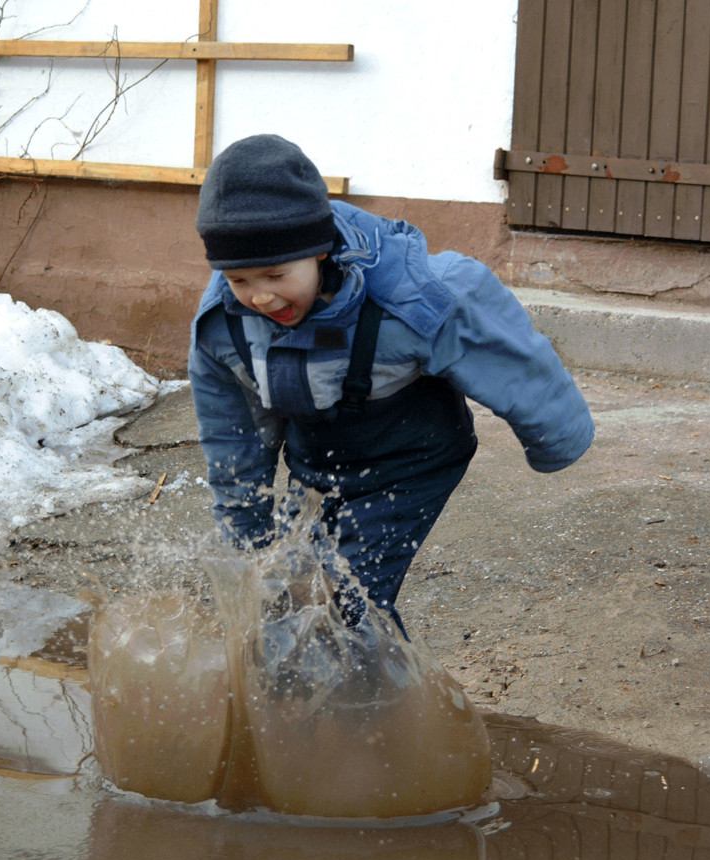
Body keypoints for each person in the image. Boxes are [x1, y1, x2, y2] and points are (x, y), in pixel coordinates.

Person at [188, 134, 593, 631]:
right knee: (289, 592)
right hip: (316, 465)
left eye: (274, 275)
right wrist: (244, 527)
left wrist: (556, 436)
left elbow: (498, 345)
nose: (260, 297)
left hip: (410, 463)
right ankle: (313, 693)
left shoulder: (409, 298)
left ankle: (381, 701)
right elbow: (233, 428)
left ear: (318, 252)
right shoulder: (223, 323)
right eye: (240, 280)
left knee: (350, 602)